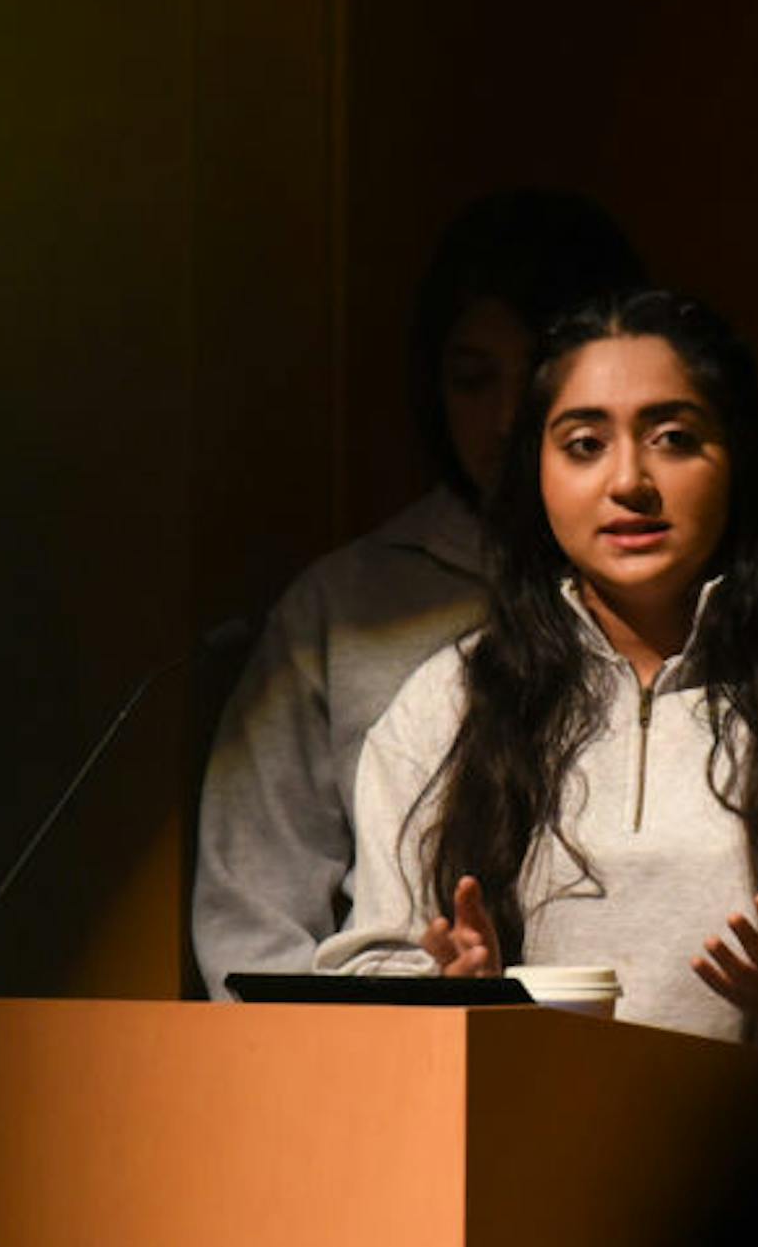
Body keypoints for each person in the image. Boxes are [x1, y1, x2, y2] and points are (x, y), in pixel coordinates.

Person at [315, 289, 758, 1042]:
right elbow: (373, 968)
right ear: (536, 472)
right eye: (584, 444)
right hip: (511, 1149)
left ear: (738, 456)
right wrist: (450, 1005)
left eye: (674, 438)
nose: (629, 483)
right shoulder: (448, 703)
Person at [192, 191, 646, 997]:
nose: (509, 418)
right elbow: (253, 919)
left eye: (541, 374)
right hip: (386, 1082)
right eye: (473, 380)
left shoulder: (682, 595)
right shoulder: (349, 607)